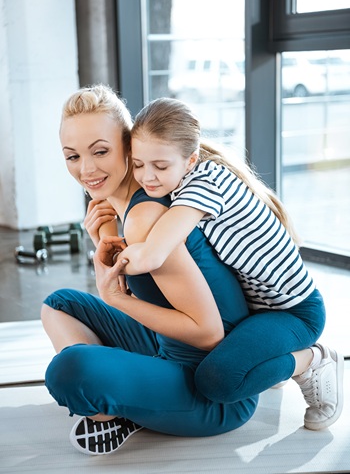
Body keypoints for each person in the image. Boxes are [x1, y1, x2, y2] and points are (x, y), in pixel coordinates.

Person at [41, 84, 259, 456]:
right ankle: (123, 400)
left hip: (213, 390)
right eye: (72, 156)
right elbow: (141, 287)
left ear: (130, 148)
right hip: (163, 349)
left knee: (68, 370)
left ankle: (121, 402)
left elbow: (208, 334)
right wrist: (103, 239)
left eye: (100, 151)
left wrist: (114, 300)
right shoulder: (116, 202)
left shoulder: (144, 218)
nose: (86, 169)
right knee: (58, 304)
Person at [117, 97, 344, 432]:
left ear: (190, 160)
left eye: (160, 167)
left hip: (294, 312)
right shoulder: (185, 179)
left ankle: (312, 361)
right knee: (214, 364)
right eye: (138, 164)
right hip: (258, 311)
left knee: (218, 382)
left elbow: (152, 254)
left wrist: (112, 262)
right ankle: (270, 360)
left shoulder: (204, 185)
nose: (146, 177)